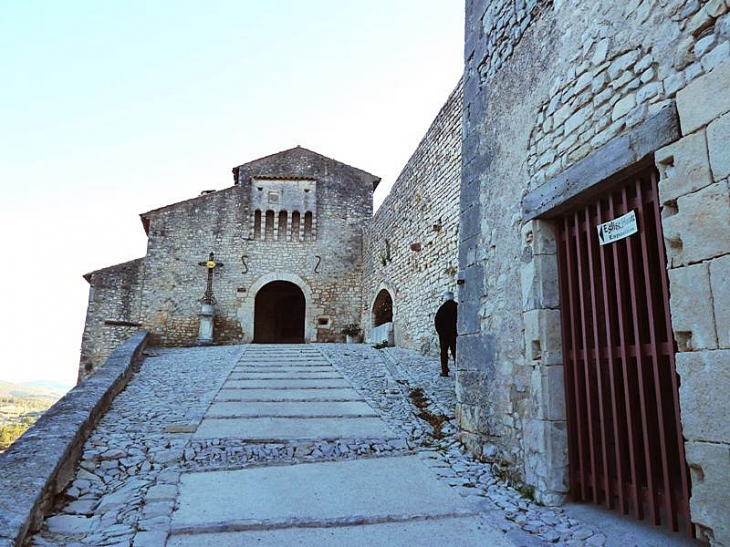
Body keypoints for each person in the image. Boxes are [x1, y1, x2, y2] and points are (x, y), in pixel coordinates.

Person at [434, 291, 457, 377]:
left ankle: (445, 371)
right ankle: (459, 369)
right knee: (456, 352)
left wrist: (440, 332)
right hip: (455, 334)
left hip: (444, 335)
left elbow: (437, 321)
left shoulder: (442, 308)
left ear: (446, 298)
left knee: (444, 353)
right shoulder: (457, 306)